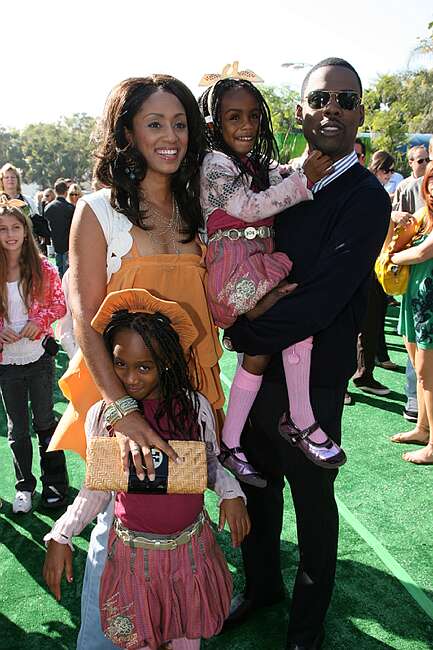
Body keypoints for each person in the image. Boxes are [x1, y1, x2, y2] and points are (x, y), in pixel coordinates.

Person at [47, 75, 225, 649]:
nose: (170, 136)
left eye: (180, 124)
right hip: (118, 395)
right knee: (116, 522)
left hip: (190, 397)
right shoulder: (98, 211)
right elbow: (85, 320)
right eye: (154, 124)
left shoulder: (200, 207)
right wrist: (124, 412)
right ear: (128, 133)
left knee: (182, 525)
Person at [221, 58, 391, 649]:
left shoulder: (367, 196)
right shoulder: (278, 181)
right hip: (262, 367)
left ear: (361, 113)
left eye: (346, 100)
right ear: (299, 112)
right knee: (256, 485)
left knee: (313, 501)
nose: (332, 111)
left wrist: (242, 332)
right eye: (320, 100)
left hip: (313, 378)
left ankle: (307, 626)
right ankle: (262, 584)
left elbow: (324, 296)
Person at [43, 288, 250, 650]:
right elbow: (98, 488)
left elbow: (209, 463)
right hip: (132, 561)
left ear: (166, 362)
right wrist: (62, 533)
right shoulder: (103, 417)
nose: (131, 378)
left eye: (144, 366)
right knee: (137, 639)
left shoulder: (193, 407)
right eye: (120, 364)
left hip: (190, 557)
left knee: (186, 638)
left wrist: (231, 494)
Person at [199, 77, 345, 488]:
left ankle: (229, 442)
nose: (246, 124)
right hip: (234, 278)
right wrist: (303, 182)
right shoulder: (214, 164)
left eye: (252, 116)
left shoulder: (252, 162)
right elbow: (247, 207)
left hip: (256, 267)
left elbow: (283, 171)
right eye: (233, 117)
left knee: (263, 350)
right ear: (214, 125)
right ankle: (299, 419)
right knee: (293, 323)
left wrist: (302, 167)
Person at [0, 195, 68, 513]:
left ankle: (54, 484)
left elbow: (59, 304)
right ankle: (24, 486)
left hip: (39, 358)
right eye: (2, 229)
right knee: (18, 430)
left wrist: (39, 321)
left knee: (45, 421)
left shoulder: (43, 268)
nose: (10, 234)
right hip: (7, 364)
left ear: (26, 231)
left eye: (16, 227)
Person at [390, 161, 433, 465]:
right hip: (414, 298)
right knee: (419, 370)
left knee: (427, 374)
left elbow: (421, 252)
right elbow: (399, 228)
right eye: (431, 181)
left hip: (429, 302)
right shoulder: (425, 215)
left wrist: (392, 257)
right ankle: (422, 427)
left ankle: (432, 445)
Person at [352, 151, 397, 395]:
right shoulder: (367, 190)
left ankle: (364, 373)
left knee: (370, 323)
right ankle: (356, 378)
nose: (389, 175)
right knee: (356, 326)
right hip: (362, 269)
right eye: (387, 170)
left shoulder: (371, 190)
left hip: (372, 268)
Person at [44, 179, 75, 278]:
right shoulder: (70, 208)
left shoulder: (48, 207)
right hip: (68, 243)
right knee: (67, 271)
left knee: (59, 269)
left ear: (55, 191)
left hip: (56, 243)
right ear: (66, 192)